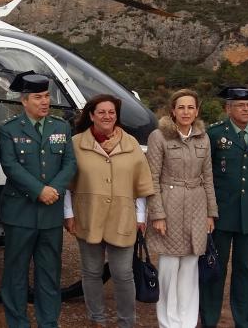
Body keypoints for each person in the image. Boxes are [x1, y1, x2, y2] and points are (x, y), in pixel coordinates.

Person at [62, 94, 154, 327]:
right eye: (101, 112)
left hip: (123, 217)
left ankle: (126, 321)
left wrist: (141, 216)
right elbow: (66, 183)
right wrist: (68, 214)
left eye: (111, 112)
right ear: (91, 115)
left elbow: (141, 183)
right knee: (91, 272)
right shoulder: (76, 144)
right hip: (87, 215)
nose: (107, 116)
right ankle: (97, 319)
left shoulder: (131, 143)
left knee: (123, 273)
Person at [0, 72, 77, 328]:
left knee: (49, 274)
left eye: (46, 96)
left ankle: (48, 322)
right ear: (24, 101)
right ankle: (18, 322)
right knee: (16, 274)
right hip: (19, 213)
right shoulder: (9, 130)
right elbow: (10, 166)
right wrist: (39, 190)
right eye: (38, 97)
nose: (44, 102)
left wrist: (53, 188)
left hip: (50, 214)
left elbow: (70, 163)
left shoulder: (61, 127)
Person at [199, 86, 248, 328]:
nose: (247, 109)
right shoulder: (214, 134)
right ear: (228, 108)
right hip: (221, 213)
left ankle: (244, 321)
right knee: (214, 269)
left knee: (247, 271)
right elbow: (206, 174)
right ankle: (209, 320)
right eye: (241, 106)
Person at [145, 88, 217, 328]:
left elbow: (208, 176)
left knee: (189, 268)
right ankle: (168, 322)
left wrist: (210, 213)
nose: (186, 112)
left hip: (197, 207)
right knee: (168, 268)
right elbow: (152, 178)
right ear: (172, 111)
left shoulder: (203, 138)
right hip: (170, 205)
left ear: (197, 111)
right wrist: (157, 214)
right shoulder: (159, 137)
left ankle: (186, 322)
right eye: (181, 107)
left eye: (191, 107)